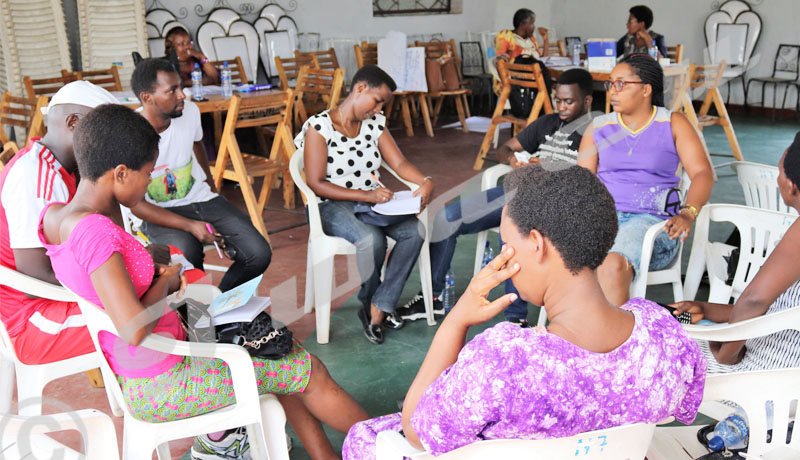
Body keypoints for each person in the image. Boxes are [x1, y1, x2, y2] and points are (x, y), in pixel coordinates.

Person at [39, 103, 368, 460]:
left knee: (274, 350)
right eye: (147, 173)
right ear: (120, 173)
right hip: (165, 381)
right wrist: (166, 281)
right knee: (308, 369)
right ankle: (383, 443)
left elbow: (99, 275)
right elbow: (133, 328)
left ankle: (326, 456)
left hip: (152, 363)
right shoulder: (95, 232)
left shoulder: (56, 216)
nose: (149, 182)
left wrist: (148, 264)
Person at [342, 165, 707, 459]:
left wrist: (457, 319)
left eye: (506, 243)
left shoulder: (504, 360)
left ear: (536, 245)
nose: (503, 255)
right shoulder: (662, 332)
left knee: (366, 438)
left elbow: (419, 432)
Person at [398, 68, 595, 326]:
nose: (561, 106)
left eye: (569, 101)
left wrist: (546, 168)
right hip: (514, 192)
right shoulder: (548, 122)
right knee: (447, 217)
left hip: (552, 204)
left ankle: (516, 320)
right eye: (558, 99)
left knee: (513, 230)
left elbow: (588, 180)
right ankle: (433, 299)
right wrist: (514, 160)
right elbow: (504, 148)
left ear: (588, 101)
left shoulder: (594, 132)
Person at [294, 65, 432, 345]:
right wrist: (367, 196)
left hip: (372, 202)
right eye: (377, 100)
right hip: (329, 204)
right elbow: (316, 182)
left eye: (383, 103)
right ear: (360, 89)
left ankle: (379, 305)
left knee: (413, 232)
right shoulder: (319, 127)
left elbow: (399, 163)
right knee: (371, 240)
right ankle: (371, 303)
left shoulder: (374, 125)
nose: (379, 109)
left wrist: (425, 181)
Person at [578, 55, 714, 306]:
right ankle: (573, 335)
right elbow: (583, 183)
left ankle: (616, 341)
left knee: (611, 264)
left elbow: (703, 174)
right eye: (610, 84)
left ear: (646, 89)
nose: (612, 92)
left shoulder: (673, 123)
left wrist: (688, 213)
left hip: (653, 225)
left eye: (622, 84)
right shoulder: (599, 127)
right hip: (605, 218)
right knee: (557, 254)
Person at [0, 81, 120, 365]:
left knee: (157, 290)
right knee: (150, 310)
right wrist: (118, 283)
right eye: (107, 134)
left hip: (45, 302)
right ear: (74, 123)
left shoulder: (61, 168)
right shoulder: (35, 177)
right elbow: (34, 277)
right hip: (28, 318)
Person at [129, 58, 271, 293]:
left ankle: (220, 308)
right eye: (172, 90)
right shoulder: (131, 133)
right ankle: (197, 318)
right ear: (147, 97)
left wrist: (213, 190)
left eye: (181, 87)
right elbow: (136, 205)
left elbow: (197, 146)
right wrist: (191, 226)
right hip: (157, 212)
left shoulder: (190, 111)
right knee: (186, 255)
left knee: (258, 253)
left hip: (202, 200)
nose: (182, 95)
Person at [673, 132, 800, 374]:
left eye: (779, 171)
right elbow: (778, 309)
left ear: (791, 186)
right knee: (675, 315)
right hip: (777, 350)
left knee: (650, 331)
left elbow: (755, 301)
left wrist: (726, 353)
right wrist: (707, 309)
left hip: (769, 369)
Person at [493, 8, 549, 93]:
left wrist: (545, 40)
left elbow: (542, 61)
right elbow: (500, 62)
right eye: (531, 23)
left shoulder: (532, 40)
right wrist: (506, 83)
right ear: (522, 24)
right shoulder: (506, 36)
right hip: (514, 83)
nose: (534, 26)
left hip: (535, 80)